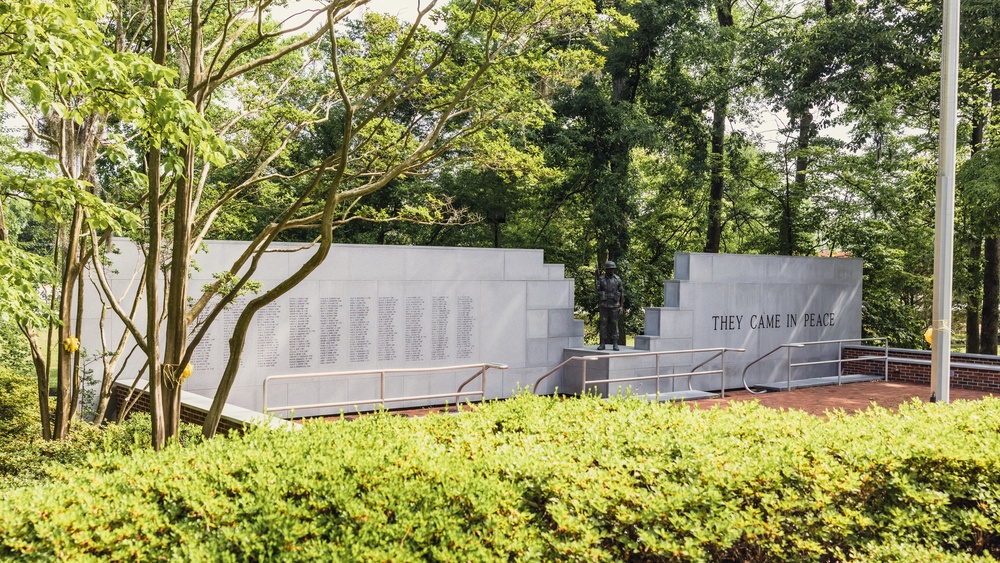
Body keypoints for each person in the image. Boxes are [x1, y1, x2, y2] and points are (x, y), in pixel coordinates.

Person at [596, 260, 624, 351]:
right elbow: (597, 291)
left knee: (614, 324)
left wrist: (621, 306)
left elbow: (621, 293)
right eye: (610, 269)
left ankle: (615, 343)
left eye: (613, 269)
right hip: (604, 305)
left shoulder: (617, 279)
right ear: (606, 270)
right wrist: (600, 293)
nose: (611, 270)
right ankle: (602, 343)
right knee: (603, 323)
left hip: (615, 305)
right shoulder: (601, 279)